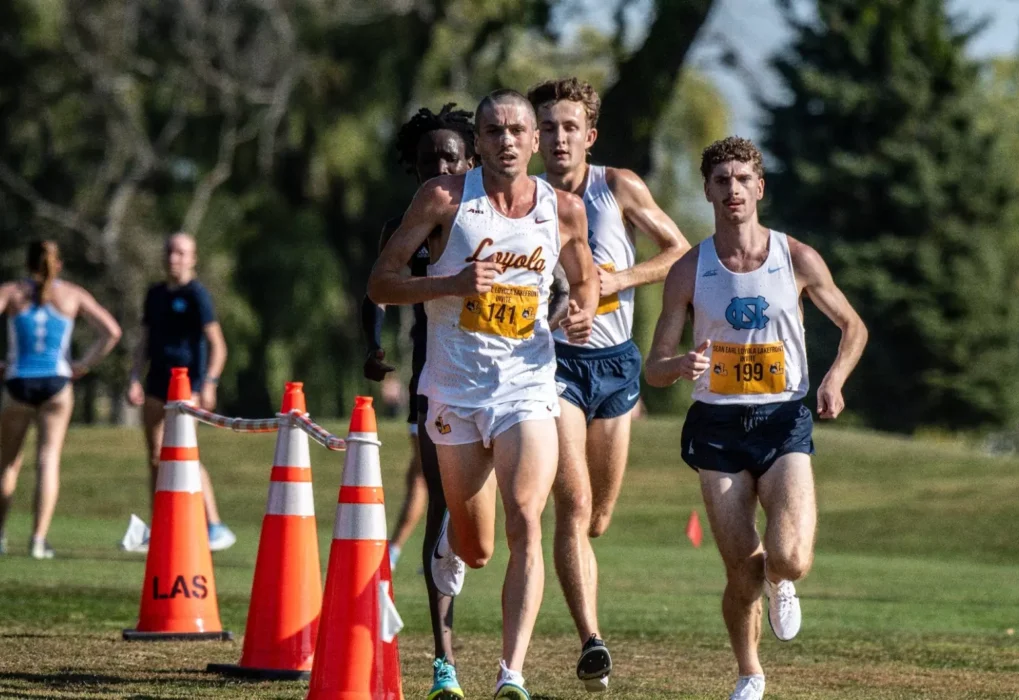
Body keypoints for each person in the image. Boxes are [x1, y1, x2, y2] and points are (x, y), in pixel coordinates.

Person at [368, 89, 598, 700]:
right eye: (494, 130)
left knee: (527, 516)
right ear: (481, 141)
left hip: (527, 385)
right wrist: (451, 281)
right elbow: (381, 284)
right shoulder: (444, 199)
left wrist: (582, 311)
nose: (507, 141)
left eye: (517, 130)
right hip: (454, 390)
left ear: (534, 139)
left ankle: (510, 674)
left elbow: (586, 277)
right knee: (475, 549)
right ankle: (451, 541)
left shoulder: (563, 209)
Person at [644, 137, 867, 700]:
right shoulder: (689, 270)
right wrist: (679, 363)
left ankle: (781, 582)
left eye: (743, 179)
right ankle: (750, 673)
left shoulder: (798, 258)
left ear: (759, 187)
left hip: (782, 421)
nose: (733, 190)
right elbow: (654, 367)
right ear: (708, 191)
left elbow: (853, 327)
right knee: (740, 569)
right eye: (722, 181)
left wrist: (834, 378)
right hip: (717, 425)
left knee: (789, 558)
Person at [527, 76, 690, 692]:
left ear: (588, 135)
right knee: (570, 507)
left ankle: (589, 603)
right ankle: (591, 639)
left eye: (570, 127)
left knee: (598, 517)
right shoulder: (525, 201)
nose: (559, 137)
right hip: (555, 366)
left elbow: (679, 251)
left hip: (617, 365)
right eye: (549, 127)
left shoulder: (617, 187)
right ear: (536, 138)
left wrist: (618, 281)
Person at [361, 102, 478, 700]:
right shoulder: (404, 226)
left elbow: (556, 286)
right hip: (436, 383)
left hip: (507, 388)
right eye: (429, 158)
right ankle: (444, 660)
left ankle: (516, 664)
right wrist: (375, 347)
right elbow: (377, 293)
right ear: (415, 167)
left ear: (472, 161)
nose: (440, 166)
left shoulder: (501, 218)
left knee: (506, 517)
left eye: (451, 157)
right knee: (443, 510)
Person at [0, 240, 122, 559]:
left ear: (27, 264)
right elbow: (112, 331)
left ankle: (0, 536)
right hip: (56, 383)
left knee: (8, 464)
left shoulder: (11, 292)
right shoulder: (72, 294)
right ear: (59, 265)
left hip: (17, 383)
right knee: (48, 459)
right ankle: (38, 541)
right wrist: (83, 364)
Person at [126, 232, 236, 551]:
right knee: (156, 457)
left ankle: (214, 525)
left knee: (187, 457)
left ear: (193, 258)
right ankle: (161, 525)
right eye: (170, 251)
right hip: (156, 384)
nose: (174, 258)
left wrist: (210, 383)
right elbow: (143, 342)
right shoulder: (155, 294)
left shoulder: (196, 295)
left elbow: (218, 346)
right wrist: (134, 377)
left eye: (181, 253)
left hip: (188, 388)